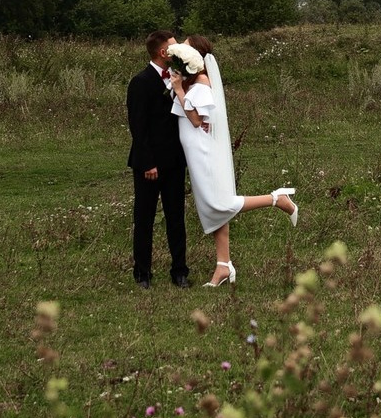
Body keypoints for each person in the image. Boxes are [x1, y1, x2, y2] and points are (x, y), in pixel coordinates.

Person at [167, 36, 298, 287]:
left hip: (204, 154)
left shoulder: (202, 83)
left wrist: (180, 91)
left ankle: (277, 199)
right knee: (213, 208)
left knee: (219, 203)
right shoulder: (191, 81)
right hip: (195, 155)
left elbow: (196, 120)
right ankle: (223, 265)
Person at [126, 29, 190, 288]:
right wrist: (147, 162)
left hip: (175, 160)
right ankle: (142, 272)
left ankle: (180, 271)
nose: (178, 51)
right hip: (149, 163)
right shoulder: (140, 82)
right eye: (174, 47)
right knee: (144, 217)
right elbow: (137, 127)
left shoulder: (179, 78)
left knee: (177, 217)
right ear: (163, 52)